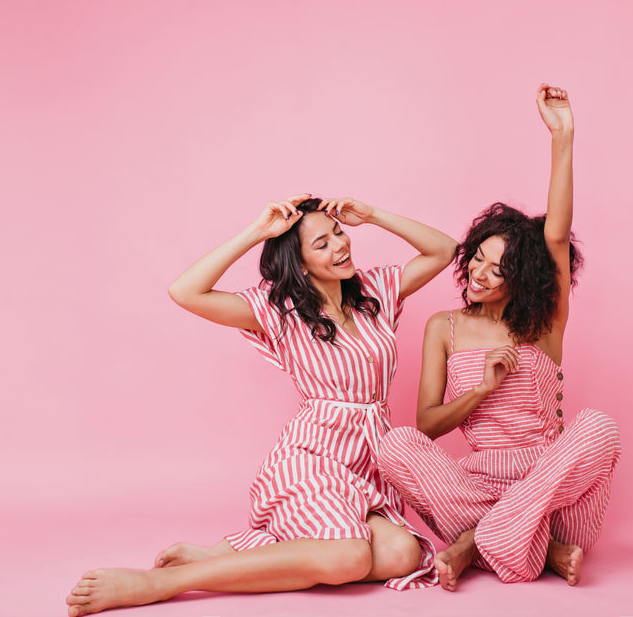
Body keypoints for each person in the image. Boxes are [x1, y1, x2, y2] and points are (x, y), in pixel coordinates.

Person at [66, 195, 457, 615]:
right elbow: (184, 290)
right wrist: (257, 232)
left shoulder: (374, 291)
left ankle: (229, 558)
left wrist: (374, 215)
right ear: (301, 263)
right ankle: (163, 583)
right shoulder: (279, 310)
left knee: (401, 554)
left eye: (338, 233)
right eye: (321, 244)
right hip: (314, 457)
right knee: (351, 557)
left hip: (368, 462)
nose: (340, 246)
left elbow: (445, 250)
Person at [377, 84, 622, 592]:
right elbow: (425, 427)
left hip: (555, 496)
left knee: (598, 427)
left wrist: (563, 135)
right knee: (396, 443)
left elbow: (556, 234)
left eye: (499, 269)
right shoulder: (442, 328)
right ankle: (533, 548)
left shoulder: (543, 325)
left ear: (524, 280)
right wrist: (480, 390)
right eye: (478, 259)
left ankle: (477, 543)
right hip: (475, 488)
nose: (480, 274)